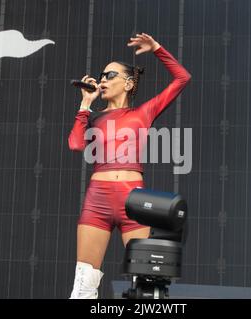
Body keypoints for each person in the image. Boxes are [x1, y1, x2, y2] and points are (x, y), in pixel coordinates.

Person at [68, 33, 191, 299]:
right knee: (83, 285)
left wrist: (157, 48)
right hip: (97, 200)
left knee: (145, 283)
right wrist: (85, 105)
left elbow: (183, 78)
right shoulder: (95, 118)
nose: (102, 80)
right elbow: (76, 145)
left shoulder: (142, 113)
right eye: (101, 75)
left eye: (109, 76)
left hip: (132, 201)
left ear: (128, 83)